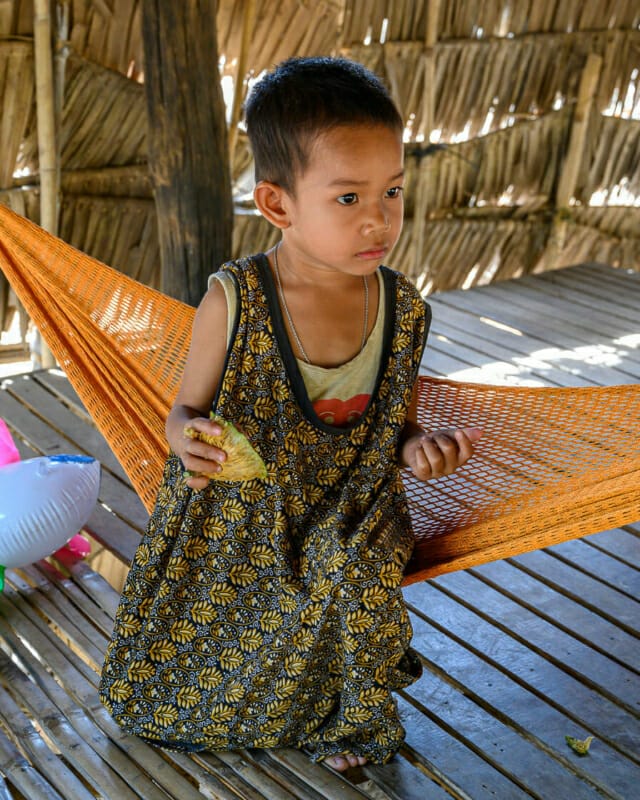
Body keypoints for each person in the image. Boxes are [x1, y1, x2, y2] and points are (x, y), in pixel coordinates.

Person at [99, 56, 481, 773]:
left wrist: (422, 449)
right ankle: (248, 704)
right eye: (348, 198)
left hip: (351, 504)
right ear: (278, 205)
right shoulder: (236, 301)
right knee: (198, 635)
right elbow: (183, 408)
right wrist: (187, 438)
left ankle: (346, 722)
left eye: (392, 191)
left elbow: (398, 425)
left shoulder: (403, 310)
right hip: (241, 509)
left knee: (351, 570)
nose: (380, 218)